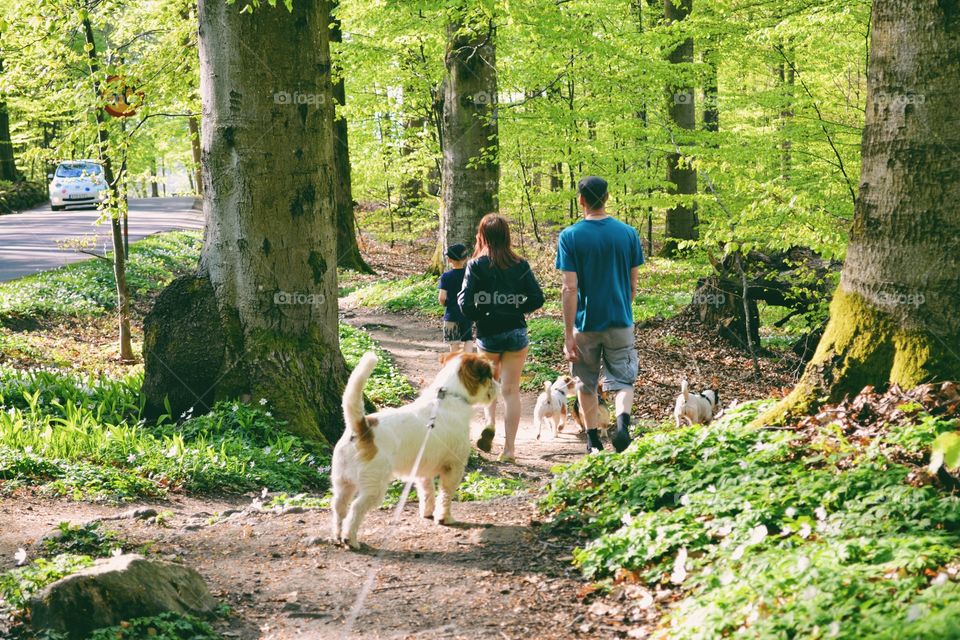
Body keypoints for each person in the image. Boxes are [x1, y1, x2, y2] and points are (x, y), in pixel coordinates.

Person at [556, 176, 644, 454]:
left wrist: (568, 333)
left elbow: (570, 288)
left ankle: (593, 440)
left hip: (585, 324)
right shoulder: (628, 233)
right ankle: (622, 424)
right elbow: (632, 285)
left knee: (586, 382)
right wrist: (621, 307)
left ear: (581, 200)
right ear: (607, 198)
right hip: (620, 320)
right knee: (623, 380)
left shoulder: (570, 236)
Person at [459, 214, 544, 462]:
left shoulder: (476, 265)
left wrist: (483, 312)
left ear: (482, 236)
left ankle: (490, 423)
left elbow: (464, 303)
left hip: (488, 334)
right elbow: (537, 298)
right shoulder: (520, 264)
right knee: (511, 391)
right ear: (506, 235)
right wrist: (516, 307)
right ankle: (509, 451)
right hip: (516, 332)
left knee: (490, 385)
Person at [438, 243, 474, 353]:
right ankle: (467, 363)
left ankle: (454, 367)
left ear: (449, 260)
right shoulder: (470, 275)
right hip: (467, 313)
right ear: (466, 258)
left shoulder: (446, 276)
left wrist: (445, 304)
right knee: (468, 339)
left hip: (451, 314)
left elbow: (442, 297)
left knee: (454, 343)